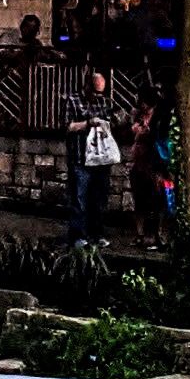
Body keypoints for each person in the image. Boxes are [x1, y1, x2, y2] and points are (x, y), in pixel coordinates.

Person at [64, 69, 118, 247]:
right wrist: (88, 123)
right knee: (79, 198)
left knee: (99, 199)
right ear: (87, 86)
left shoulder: (105, 102)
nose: (97, 96)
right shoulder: (73, 100)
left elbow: (117, 118)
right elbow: (68, 126)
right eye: (95, 91)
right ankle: (78, 235)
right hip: (80, 157)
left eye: (100, 92)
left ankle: (97, 234)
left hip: (101, 158)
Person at [123, 91, 172, 249]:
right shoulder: (138, 116)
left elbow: (161, 143)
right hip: (139, 163)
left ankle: (156, 236)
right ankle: (140, 234)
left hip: (154, 164)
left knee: (157, 201)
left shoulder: (160, 119)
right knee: (139, 200)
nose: (141, 106)